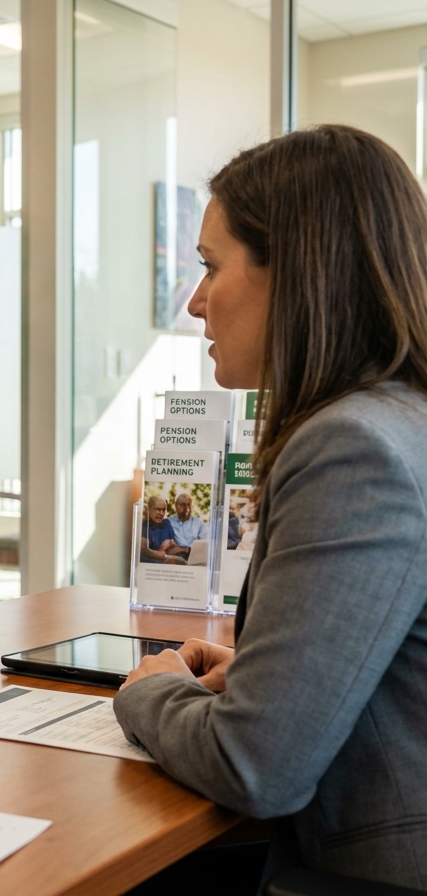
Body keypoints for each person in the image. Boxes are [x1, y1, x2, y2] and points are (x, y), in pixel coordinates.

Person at [115, 125, 427, 892]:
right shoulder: (404, 417)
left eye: (210, 268)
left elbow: (256, 767)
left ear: (298, 275)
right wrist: (265, 676)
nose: (195, 303)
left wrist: (149, 690)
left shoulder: (354, 448)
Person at [163, 493, 207, 560]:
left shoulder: (199, 523)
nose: (186, 508)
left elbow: (205, 546)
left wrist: (184, 549)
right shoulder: (168, 522)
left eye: (188, 504)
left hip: (194, 556)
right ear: (176, 505)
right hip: (175, 557)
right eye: (182, 505)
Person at [139, 495, 177, 563]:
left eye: (163, 510)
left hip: (167, 559)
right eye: (158, 509)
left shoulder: (166, 523)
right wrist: (162, 550)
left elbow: (172, 544)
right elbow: (144, 550)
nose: (161, 513)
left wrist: (170, 544)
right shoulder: (144, 525)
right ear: (149, 509)